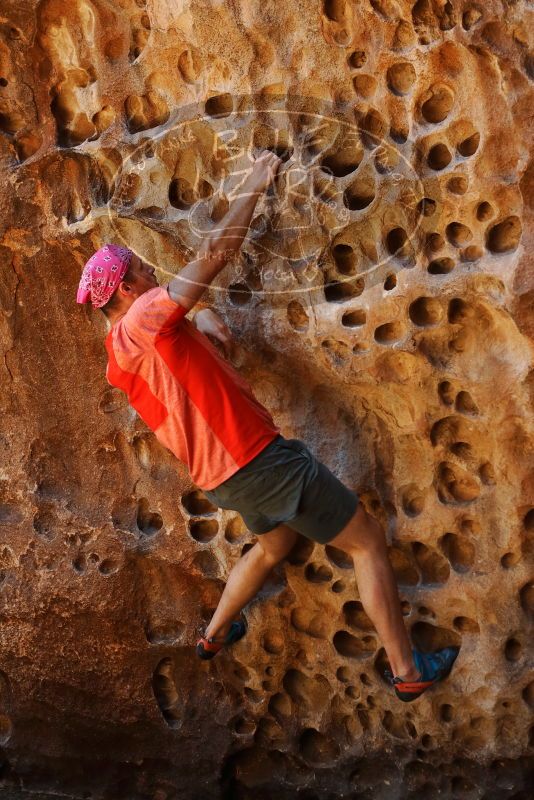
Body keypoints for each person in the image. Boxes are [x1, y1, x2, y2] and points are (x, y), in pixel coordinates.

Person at [77, 149, 458, 702]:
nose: (150, 271)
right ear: (127, 290)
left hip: (221, 481)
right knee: (368, 543)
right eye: (139, 268)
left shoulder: (119, 348)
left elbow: (178, 332)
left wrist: (201, 316)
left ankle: (212, 635)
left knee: (275, 547)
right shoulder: (144, 317)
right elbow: (212, 256)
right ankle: (408, 669)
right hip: (257, 460)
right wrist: (256, 179)